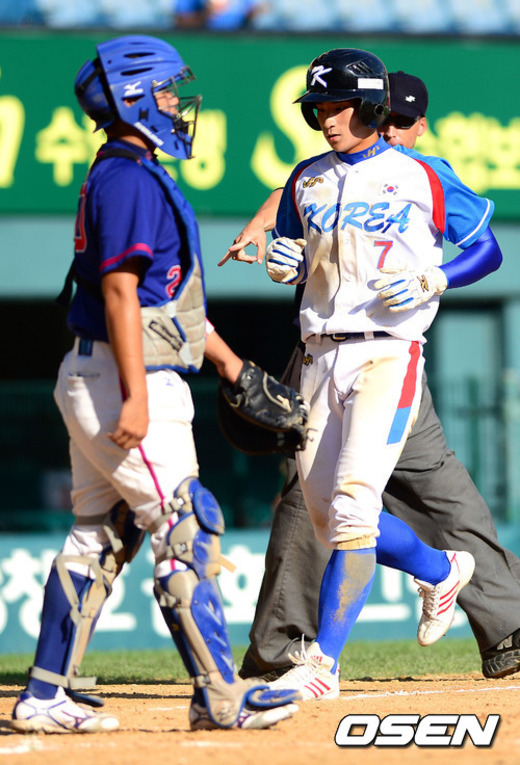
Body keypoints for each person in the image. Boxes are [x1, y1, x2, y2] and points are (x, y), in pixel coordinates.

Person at [10, 34, 301, 734]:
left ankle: (45, 694)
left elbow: (164, 304)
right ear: (134, 97)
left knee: (100, 535)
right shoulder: (130, 178)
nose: (177, 103)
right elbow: (120, 292)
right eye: (166, 91)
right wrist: (137, 395)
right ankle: (220, 694)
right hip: (124, 377)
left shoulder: (128, 170)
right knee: (186, 526)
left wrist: (230, 365)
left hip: (104, 369)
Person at [222, 55, 508, 697]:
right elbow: (302, 261)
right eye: (319, 108)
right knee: (327, 518)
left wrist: (436, 277)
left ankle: (322, 662)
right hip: (318, 356)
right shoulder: (307, 179)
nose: (326, 118)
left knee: (353, 508)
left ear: (372, 107)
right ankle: (440, 570)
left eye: (338, 106)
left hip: (388, 352)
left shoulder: (421, 175)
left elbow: (487, 250)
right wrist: (285, 262)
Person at [174, 0, 265, 29]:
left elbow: (258, 10)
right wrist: (207, 13)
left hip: (239, 42)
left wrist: (251, 13)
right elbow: (181, 20)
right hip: (206, 42)